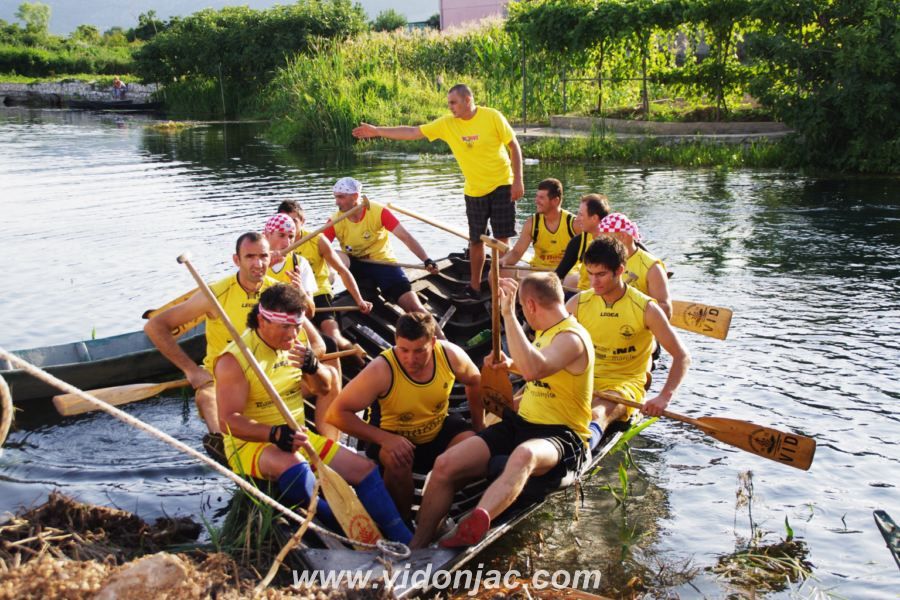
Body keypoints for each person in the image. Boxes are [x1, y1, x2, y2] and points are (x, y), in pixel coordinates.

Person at [215, 284, 412, 544]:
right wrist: (273, 433)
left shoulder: (295, 343)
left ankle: (403, 537)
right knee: (296, 467)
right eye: (285, 327)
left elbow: (324, 389)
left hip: (298, 435)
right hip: (251, 444)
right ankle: (350, 531)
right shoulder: (235, 360)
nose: (292, 334)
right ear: (262, 320)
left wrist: (313, 368)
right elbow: (228, 421)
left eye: (297, 326)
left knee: (364, 469)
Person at [410, 273, 593, 549]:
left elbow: (535, 369)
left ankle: (475, 521)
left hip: (561, 436)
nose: (523, 314)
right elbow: (540, 364)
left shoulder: (572, 337)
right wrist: (509, 364)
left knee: (525, 454)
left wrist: (507, 314)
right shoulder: (546, 332)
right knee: (445, 464)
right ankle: (418, 544)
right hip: (521, 424)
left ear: (530, 305)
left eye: (522, 309)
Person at [352, 84, 524, 299]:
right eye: (448, 103)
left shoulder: (492, 116)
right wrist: (378, 131)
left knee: (501, 239)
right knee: (475, 240)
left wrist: (518, 181)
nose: (450, 107)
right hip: (474, 190)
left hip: (502, 184)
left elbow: (513, 145)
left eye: (453, 102)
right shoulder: (447, 124)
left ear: (468, 100)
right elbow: (413, 132)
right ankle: (474, 287)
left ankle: (499, 285)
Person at [327, 312, 483, 520]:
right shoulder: (381, 370)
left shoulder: (449, 355)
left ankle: (435, 503)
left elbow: (475, 381)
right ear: (395, 342)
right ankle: (403, 520)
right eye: (404, 350)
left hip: (436, 427)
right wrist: (385, 439)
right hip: (391, 436)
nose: (411, 359)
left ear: (433, 342)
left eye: (419, 351)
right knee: (396, 458)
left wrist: (479, 427)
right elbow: (335, 414)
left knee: (474, 446)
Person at [144, 232, 276, 439]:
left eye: (263, 256)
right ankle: (221, 443)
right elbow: (155, 326)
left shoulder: (277, 292)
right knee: (206, 398)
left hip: (269, 372)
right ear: (236, 260)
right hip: (222, 378)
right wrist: (191, 370)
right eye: (250, 257)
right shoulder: (214, 295)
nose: (258, 264)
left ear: (271, 257)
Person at [565, 236, 690, 450]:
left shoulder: (647, 308)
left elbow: (682, 357)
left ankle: (580, 451)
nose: (594, 282)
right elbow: (549, 343)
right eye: (590, 274)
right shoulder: (578, 302)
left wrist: (664, 397)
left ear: (620, 270)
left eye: (601, 275)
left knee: (597, 413)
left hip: (623, 384)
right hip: (583, 377)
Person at [321, 177, 442, 334]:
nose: (337, 202)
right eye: (335, 197)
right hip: (356, 267)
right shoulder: (335, 220)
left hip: (383, 264)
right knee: (330, 253)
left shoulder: (378, 211)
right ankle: (328, 292)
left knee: (415, 308)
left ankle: (442, 341)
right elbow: (318, 247)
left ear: (355, 196)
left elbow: (405, 237)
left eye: (341, 197)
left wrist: (426, 260)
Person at [277, 200, 374, 352]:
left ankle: (360, 359)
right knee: (310, 341)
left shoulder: (318, 240)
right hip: (291, 299)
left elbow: (342, 270)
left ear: (303, 221)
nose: (290, 226)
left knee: (333, 337)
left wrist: (359, 300)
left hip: (319, 293)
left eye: (294, 221)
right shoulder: (273, 245)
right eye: (285, 221)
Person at [597, 213, 672, 319]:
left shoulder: (652, 267)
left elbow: (665, 310)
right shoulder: (602, 262)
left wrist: (629, 307)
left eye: (605, 240)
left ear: (623, 236)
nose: (601, 246)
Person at [499, 178, 578, 271]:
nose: (536, 201)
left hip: (567, 275)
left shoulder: (574, 223)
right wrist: (504, 260)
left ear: (555, 201)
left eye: (541, 197)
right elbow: (516, 252)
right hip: (538, 273)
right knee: (496, 272)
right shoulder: (531, 223)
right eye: (536, 196)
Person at [261, 213, 317, 314]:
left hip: (290, 320)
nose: (287, 243)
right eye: (281, 235)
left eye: (291, 236)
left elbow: (310, 313)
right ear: (267, 235)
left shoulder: (300, 263)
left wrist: (300, 290)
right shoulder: (255, 263)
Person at [554, 194, 612, 290]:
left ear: (594, 218)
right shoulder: (579, 241)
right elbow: (559, 274)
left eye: (581, 215)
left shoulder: (615, 245)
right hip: (581, 294)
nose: (577, 219)